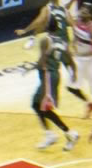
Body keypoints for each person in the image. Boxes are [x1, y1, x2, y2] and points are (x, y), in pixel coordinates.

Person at [29, 17, 77, 152]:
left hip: (48, 76)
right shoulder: (61, 42)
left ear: (46, 27)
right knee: (38, 105)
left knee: (41, 107)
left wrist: (33, 68)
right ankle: (51, 134)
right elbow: (70, 59)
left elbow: (43, 59)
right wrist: (74, 72)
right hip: (53, 75)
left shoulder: (46, 40)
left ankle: (68, 133)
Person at [69, 4, 92, 110]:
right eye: (81, 10)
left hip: (90, 62)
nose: (82, 12)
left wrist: (80, 54)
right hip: (79, 61)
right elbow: (75, 36)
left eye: (85, 11)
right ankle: (89, 103)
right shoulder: (77, 22)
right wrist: (72, 45)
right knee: (71, 87)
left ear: (90, 15)